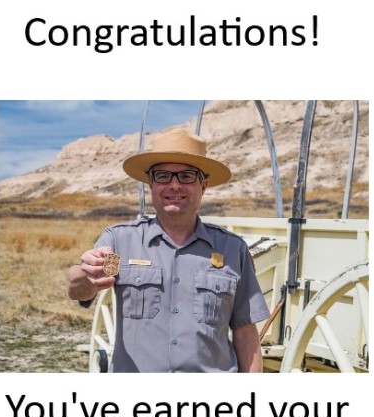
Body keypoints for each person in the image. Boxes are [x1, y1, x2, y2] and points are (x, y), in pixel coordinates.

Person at [67, 129, 269, 372]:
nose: (174, 185)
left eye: (186, 176)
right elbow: (77, 290)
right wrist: (85, 273)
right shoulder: (119, 240)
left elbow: (245, 331)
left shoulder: (233, 249)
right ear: (151, 184)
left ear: (203, 185)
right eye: (162, 176)